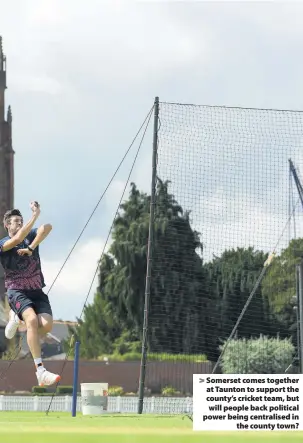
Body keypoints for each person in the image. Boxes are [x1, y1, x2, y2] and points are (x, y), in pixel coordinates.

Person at [0, 201, 61, 386]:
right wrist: (35, 215)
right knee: (32, 321)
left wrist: (32, 247)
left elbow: (47, 227)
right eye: (15, 221)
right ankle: (40, 370)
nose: (19, 224)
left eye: (21, 221)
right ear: (7, 225)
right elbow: (17, 240)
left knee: (46, 325)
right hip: (16, 291)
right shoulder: (3, 244)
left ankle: (15, 317)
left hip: (37, 291)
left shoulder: (30, 237)